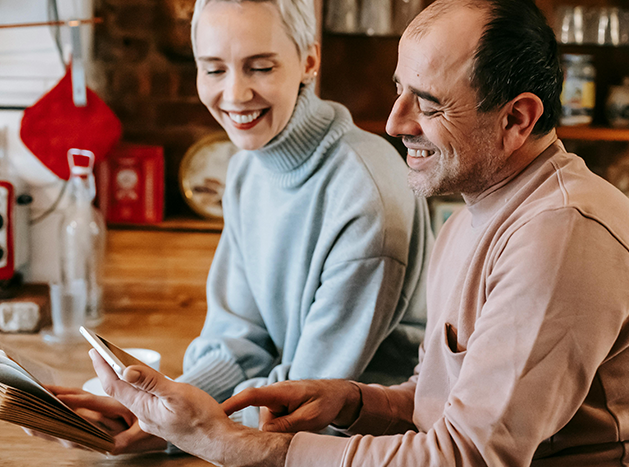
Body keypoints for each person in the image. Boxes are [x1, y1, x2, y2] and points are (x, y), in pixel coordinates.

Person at [85, 0, 629, 465]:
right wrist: (353, 400)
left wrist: (227, 441)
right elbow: (450, 399)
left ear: (517, 118)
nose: (394, 120)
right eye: (398, 90)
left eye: (427, 103)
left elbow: (466, 457)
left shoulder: (561, 234)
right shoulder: (475, 211)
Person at [40, 0, 432, 454]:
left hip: (363, 447)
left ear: (309, 60)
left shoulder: (366, 195)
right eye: (213, 70)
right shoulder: (249, 166)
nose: (235, 94)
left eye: (260, 67)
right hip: (267, 430)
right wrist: (154, 403)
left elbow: (310, 402)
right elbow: (240, 337)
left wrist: (174, 426)